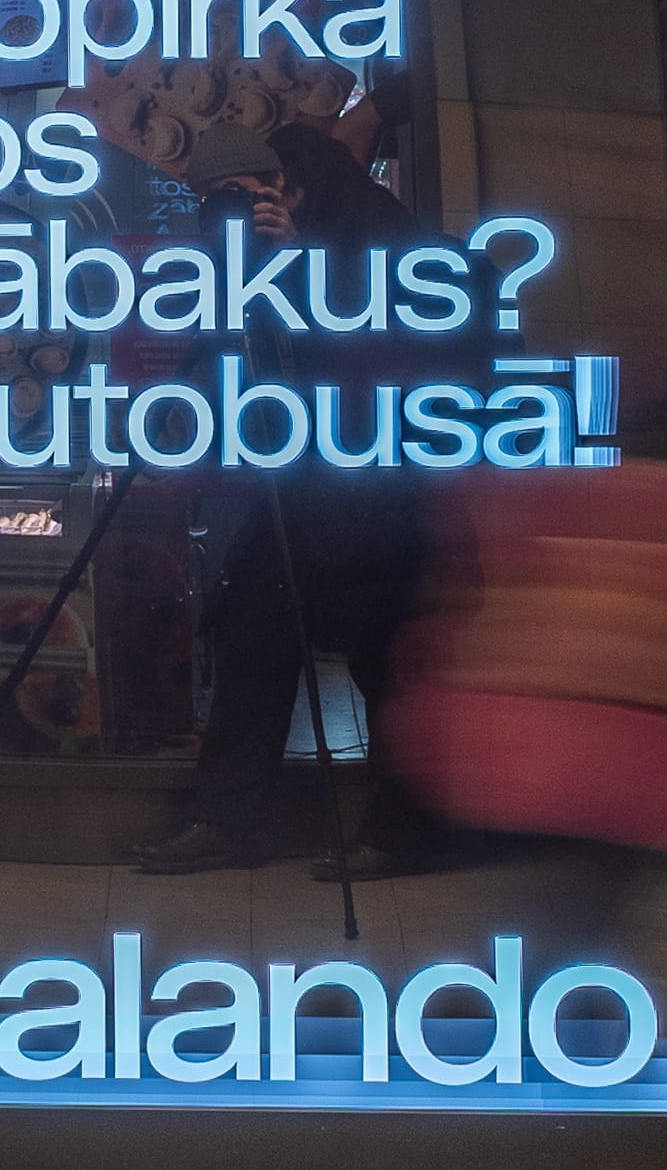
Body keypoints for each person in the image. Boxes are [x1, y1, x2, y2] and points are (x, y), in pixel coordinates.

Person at [137, 117, 448, 881]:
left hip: (385, 477)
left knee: (385, 656)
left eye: (235, 193)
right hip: (304, 485)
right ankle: (223, 820)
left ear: (281, 184)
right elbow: (251, 365)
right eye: (209, 201)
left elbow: (389, 341)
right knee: (250, 627)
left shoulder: (367, 229)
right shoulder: (251, 255)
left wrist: (297, 261)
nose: (226, 210)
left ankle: (404, 833)